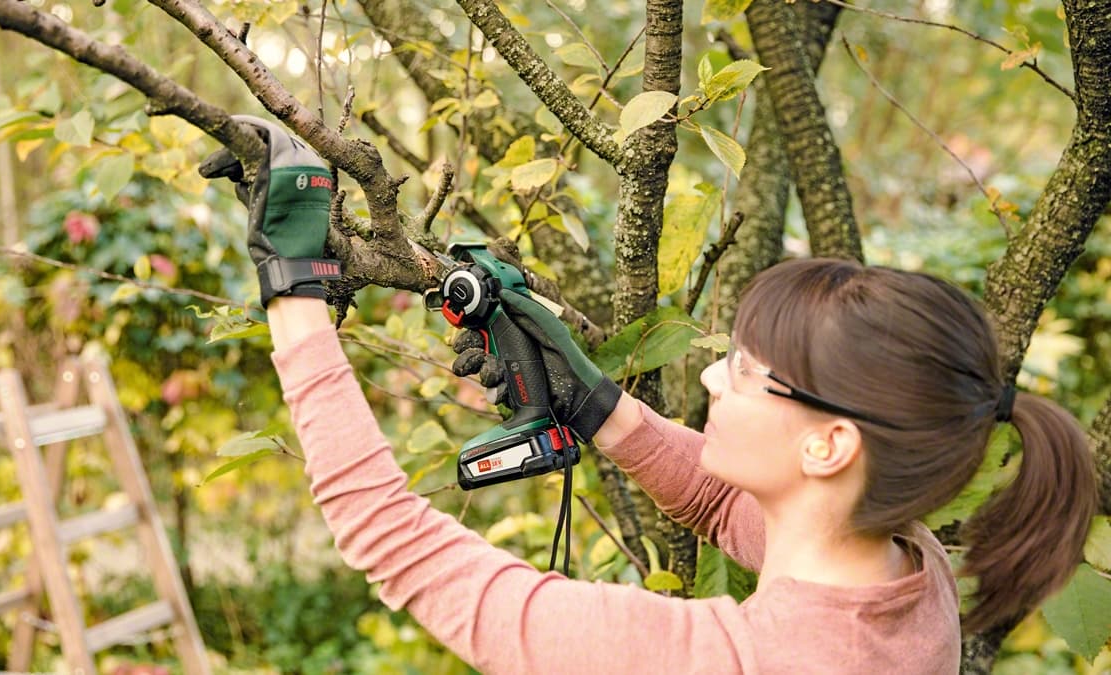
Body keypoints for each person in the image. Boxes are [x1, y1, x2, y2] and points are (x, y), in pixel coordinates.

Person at [200, 117, 1098, 674]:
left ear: (829, 444)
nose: (711, 375)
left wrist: (298, 293)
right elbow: (726, 502)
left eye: (744, 371)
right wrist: (598, 407)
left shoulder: (728, 660)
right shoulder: (908, 574)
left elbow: (395, 544)